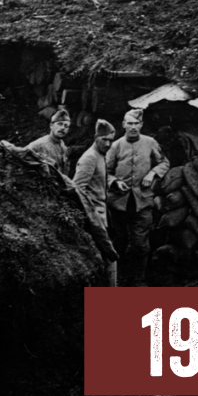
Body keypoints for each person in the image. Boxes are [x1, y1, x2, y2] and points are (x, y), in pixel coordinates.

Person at [106, 108, 169, 287]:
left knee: (141, 245)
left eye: (136, 123)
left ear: (141, 125)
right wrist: (115, 182)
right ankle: (118, 279)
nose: (133, 127)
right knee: (118, 241)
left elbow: (164, 162)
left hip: (142, 201)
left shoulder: (150, 143)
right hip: (118, 202)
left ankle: (138, 280)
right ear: (123, 124)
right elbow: (105, 171)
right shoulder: (116, 145)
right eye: (129, 123)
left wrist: (153, 173)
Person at [74, 119, 118, 287]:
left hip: (102, 213)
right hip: (94, 217)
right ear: (95, 138)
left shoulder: (101, 155)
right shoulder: (89, 158)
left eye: (110, 140)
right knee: (108, 257)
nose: (107, 144)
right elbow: (77, 188)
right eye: (104, 140)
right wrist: (90, 216)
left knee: (109, 256)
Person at [25, 108, 71, 176]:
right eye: (60, 124)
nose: (63, 128)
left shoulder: (63, 147)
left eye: (66, 126)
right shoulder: (38, 145)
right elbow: (21, 157)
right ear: (51, 126)